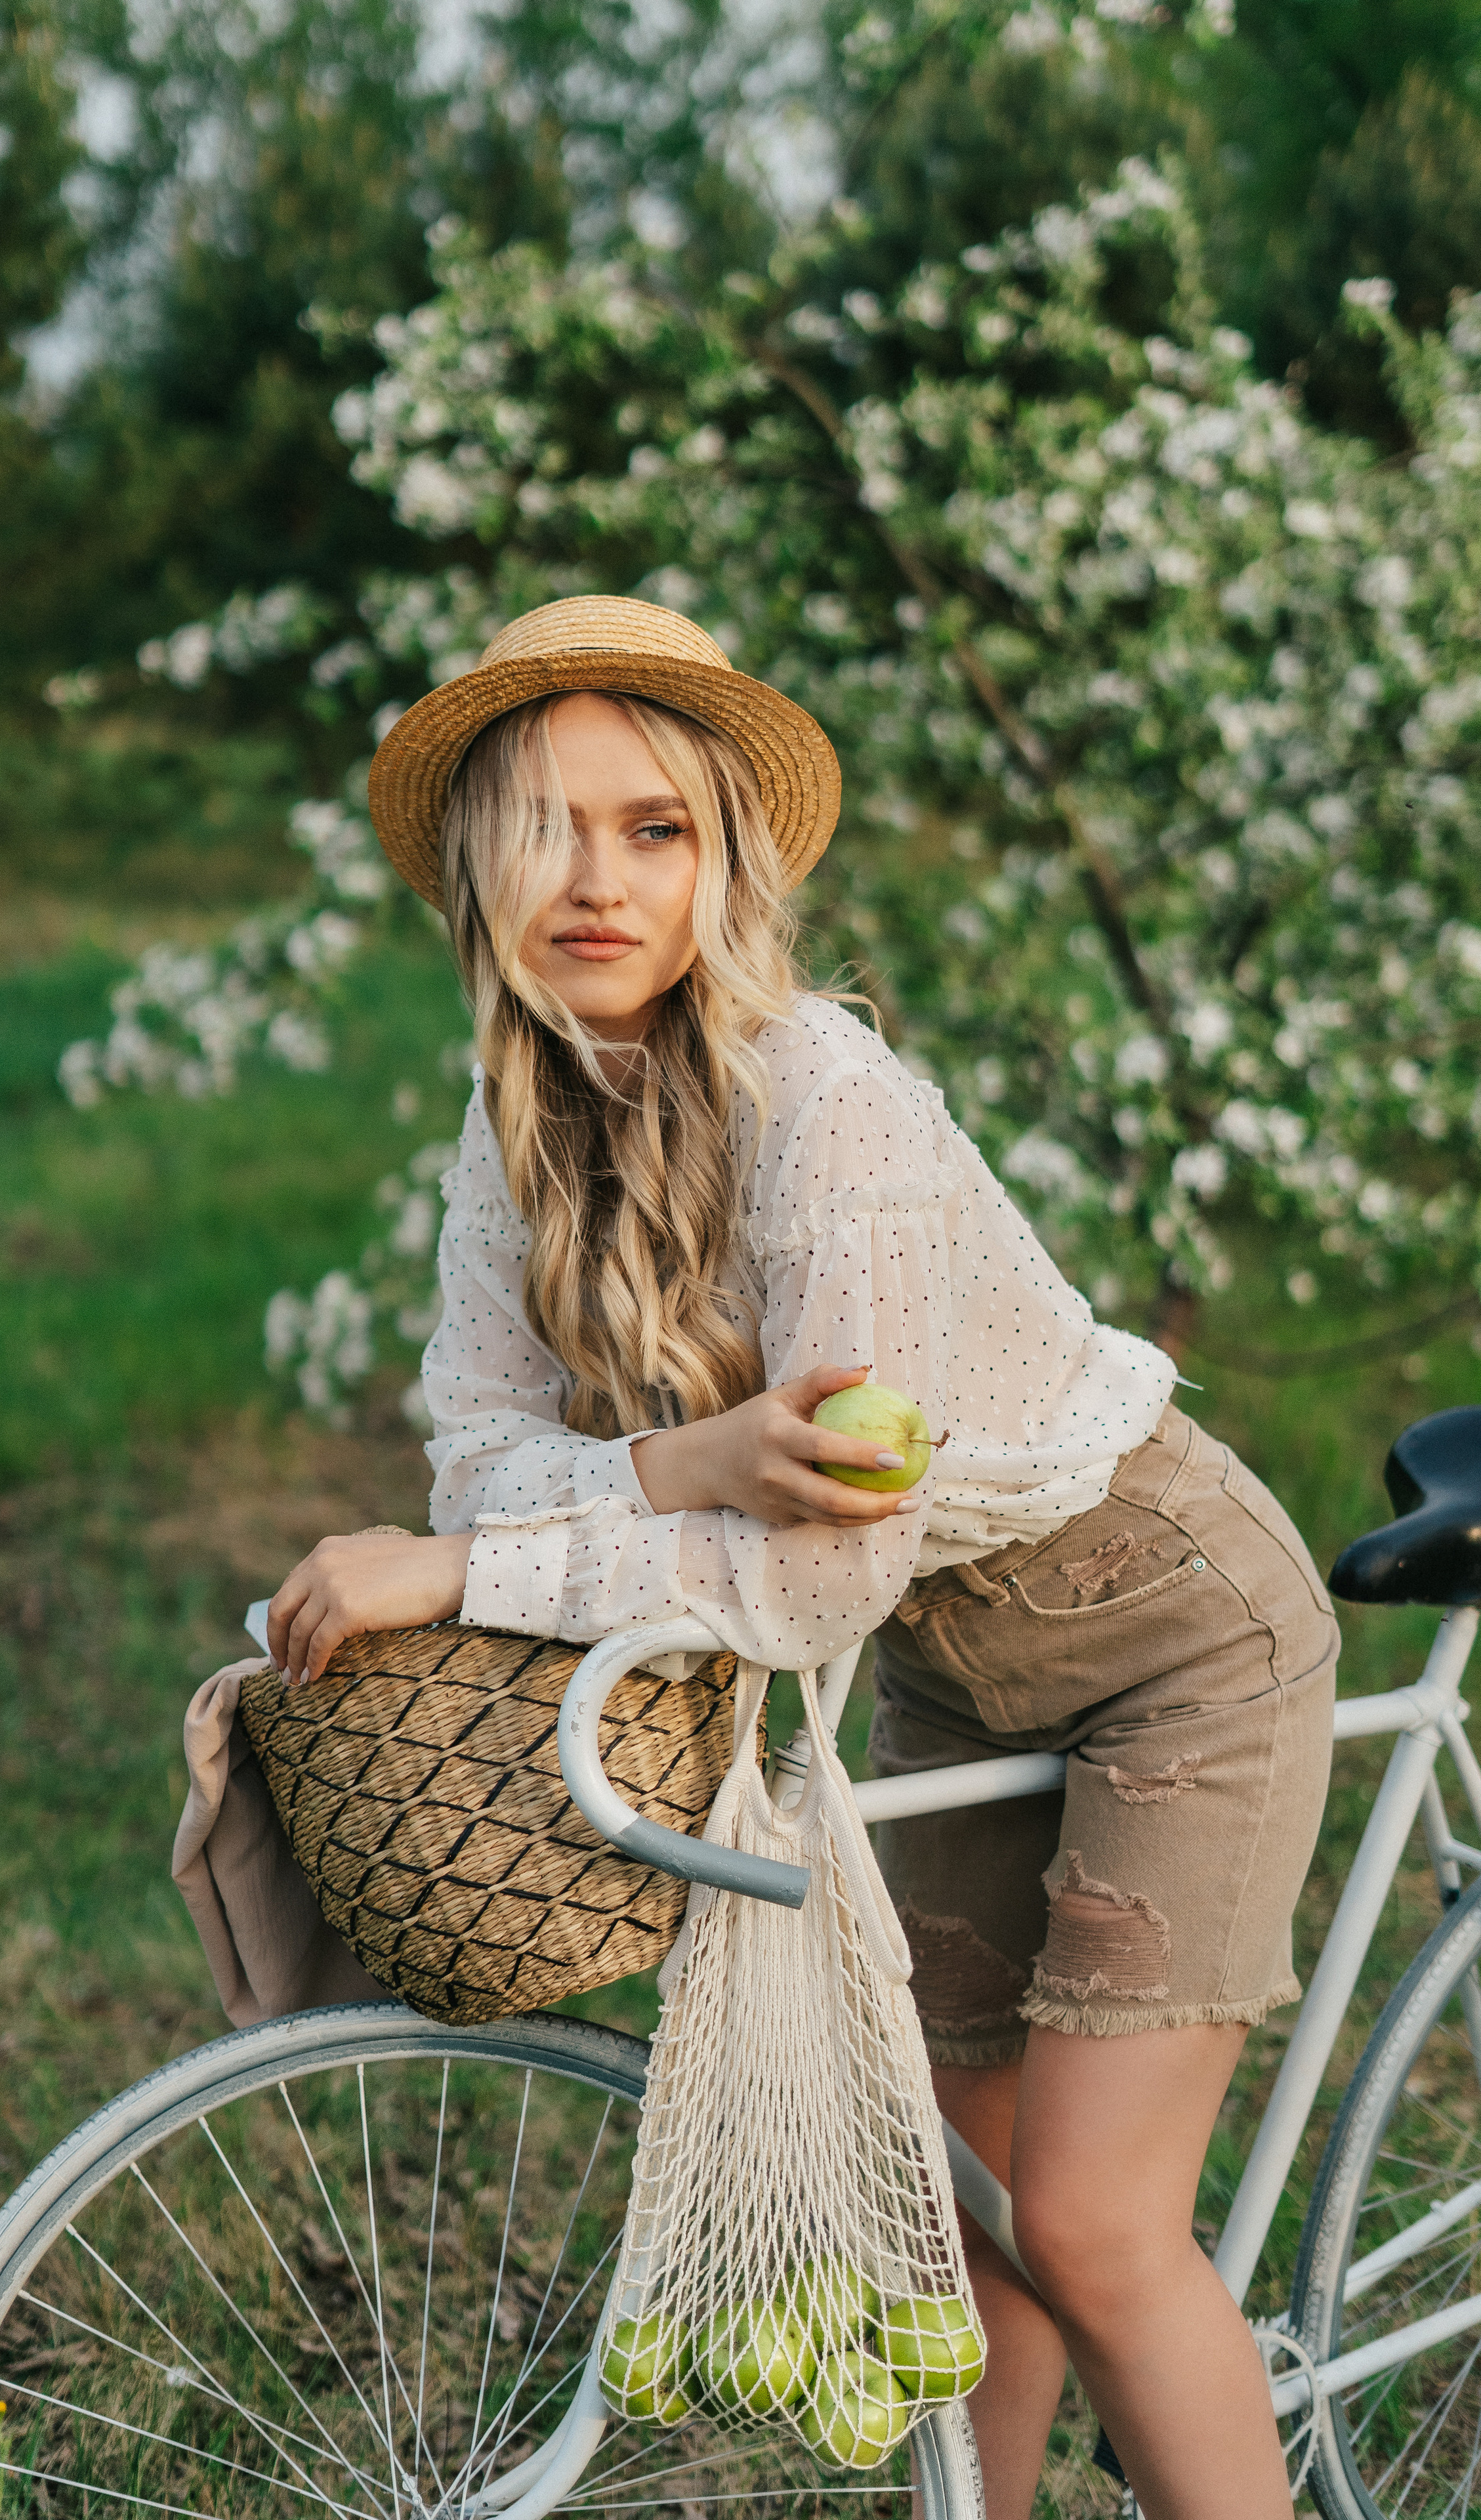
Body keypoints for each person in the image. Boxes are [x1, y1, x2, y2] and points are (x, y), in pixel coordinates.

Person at [259, 597, 1337, 2520]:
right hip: (943, 1671)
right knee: (966, 2212)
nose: (599, 882)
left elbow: (815, 1573)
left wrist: (477, 1572)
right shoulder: (510, 1138)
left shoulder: (833, 1115)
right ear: (478, 867)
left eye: (654, 827)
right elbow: (482, 1450)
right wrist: (693, 1458)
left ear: (723, 860)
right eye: (549, 827)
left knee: (1088, 2227)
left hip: (1172, 1634)